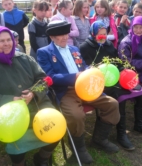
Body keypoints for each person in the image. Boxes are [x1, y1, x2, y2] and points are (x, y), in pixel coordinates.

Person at [37, 20, 120, 164]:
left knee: (112, 104)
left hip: (86, 87)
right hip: (66, 91)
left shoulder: (74, 49)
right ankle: (79, 148)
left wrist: (91, 70)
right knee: (76, 115)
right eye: (59, 35)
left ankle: (99, 139)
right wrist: (74, 77)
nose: (64, 37)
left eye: (65, 34)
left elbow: (83, 66)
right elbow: (50, 77)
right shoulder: (44, 52)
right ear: (51, 37)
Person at [0, 26, 58, 166]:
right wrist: (10, 100)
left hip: (37, 105)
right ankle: (19, 162)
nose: (6, 43)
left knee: (55, 127)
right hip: (8, 114)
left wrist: (33, 93)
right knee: (16, 136)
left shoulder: (24, 58)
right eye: (1, 41)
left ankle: (42, 158)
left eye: (9, 40)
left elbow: (43, 79)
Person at [80, 21, 142, 148]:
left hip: (115, 78)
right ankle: (121, 134)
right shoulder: (85, 47)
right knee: (119, 97)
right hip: (99, 82)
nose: (103, 37)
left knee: (141, 92)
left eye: (105, 34)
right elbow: (86, 69)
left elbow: (118, 63)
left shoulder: (109, 44)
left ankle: (139, 124)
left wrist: (124, 72)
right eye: (100, 34)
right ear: (93, 34)